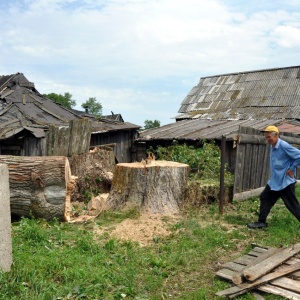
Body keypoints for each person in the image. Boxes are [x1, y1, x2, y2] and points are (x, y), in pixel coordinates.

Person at [247, 125, 300, 229]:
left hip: (285, 181)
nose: (267, 139)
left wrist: (292, 168)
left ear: (276, 135)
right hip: (275, 181)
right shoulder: (273, 146)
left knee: (292, 204)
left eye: (269, 137)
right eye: (266, 137)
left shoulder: (284, 146)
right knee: (265, 197)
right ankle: (261, 222)